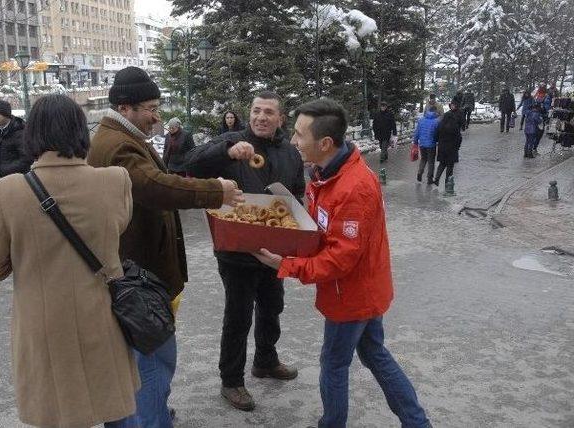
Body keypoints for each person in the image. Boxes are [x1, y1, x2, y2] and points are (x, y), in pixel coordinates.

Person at [253, 98, 431, 428]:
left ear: (324, 143)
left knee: (334, 363)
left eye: (299, 135)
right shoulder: (327, 173)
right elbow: (327, 231)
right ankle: (416, 422)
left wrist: (286, 264)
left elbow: (341, 258)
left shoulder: (354, 187)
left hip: (351, 295)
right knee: (374, 353)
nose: (293, 141)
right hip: (359, 290)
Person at [87, 66, 244, 428]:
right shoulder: (116, 145)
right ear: (125, 108)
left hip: (142, 273)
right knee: (152, 361)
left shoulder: (120, 136)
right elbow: (154, 186)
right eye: (151, 108)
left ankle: (148, 412)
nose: (157, 118)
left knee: (143, 366)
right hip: (140, 280)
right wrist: (215, 191)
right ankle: (150, 418)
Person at [0, 94, 140, 428]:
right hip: (103, 321)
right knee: (114, 414)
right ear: (81, 131)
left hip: (44, 331)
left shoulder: (8, 192)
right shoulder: (115, 181)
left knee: (58, 416)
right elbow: (114, 230)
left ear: (33, 134)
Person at [186, 91, 305, 412]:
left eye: (268, 112)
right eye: (256, 111)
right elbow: (191, 162)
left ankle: (266, 361)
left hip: (274, 248)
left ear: (281, 119)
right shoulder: (232, 142)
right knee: (238, 315)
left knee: (272, 306)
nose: (261, 117)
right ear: (248, 114)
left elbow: (298, 195)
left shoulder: (290, 154)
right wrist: (227, 150)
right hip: (236, 247)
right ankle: (232, 381)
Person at [0, 100, 33, 177]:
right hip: (2, 176)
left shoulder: (19, 132)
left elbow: (26, 159)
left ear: (6, 115)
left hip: (17, 178)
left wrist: (4, 170)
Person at [434, 108, 462, 186]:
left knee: (442, 164)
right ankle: (447, 182)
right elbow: (459, 138)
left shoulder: (441, 125)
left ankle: (437, 178)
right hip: (452, 149)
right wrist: (457, 146)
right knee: (450, 166)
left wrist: (439, 142)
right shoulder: (455, 126)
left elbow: (436, 136)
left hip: (442, 148)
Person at [413, 105, 439, 184]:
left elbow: (417, 132)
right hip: (431, 145)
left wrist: (415, 142)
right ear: (435, 112)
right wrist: (436, 141)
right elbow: (436, 134)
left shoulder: (421, 120)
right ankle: (429, 179)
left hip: (422, 144)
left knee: (423, 159)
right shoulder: (436, 121)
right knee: (431, 162)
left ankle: (420, 173)